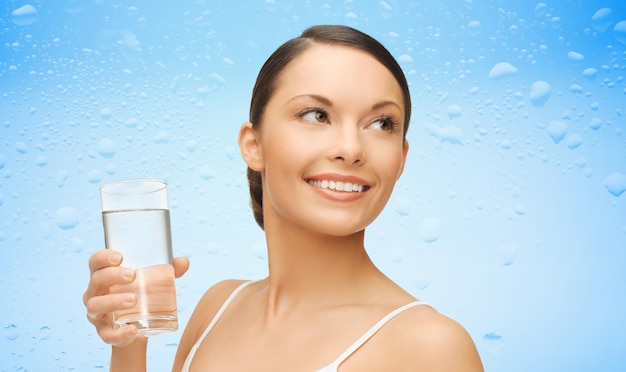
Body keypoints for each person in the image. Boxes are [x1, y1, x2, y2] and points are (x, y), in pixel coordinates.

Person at [83, 25, 484, 371]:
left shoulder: (429, 346)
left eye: (381, 123)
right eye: (316, 115)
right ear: (253, 144)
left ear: (401, 159)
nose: (351, 148)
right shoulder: (218, 308)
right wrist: (130, 343)